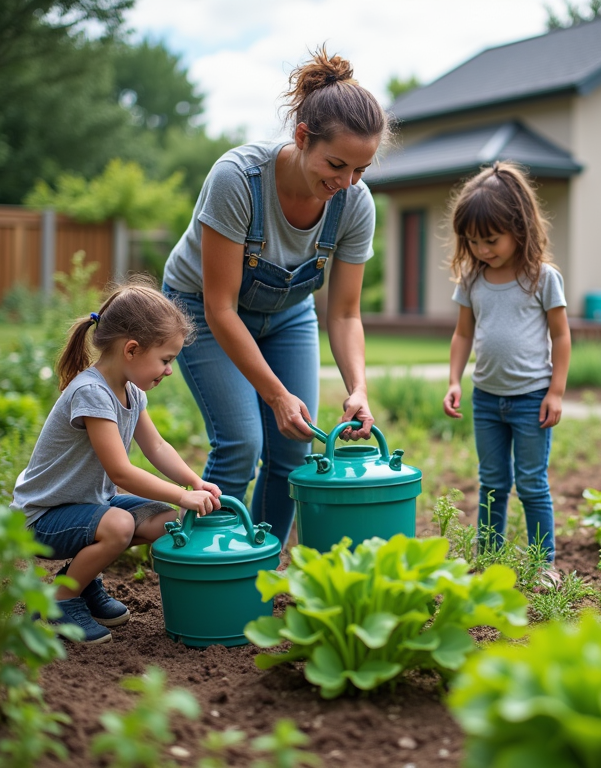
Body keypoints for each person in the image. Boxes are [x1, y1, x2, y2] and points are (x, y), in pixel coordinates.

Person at [161, 46, 389, 545]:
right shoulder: (238, 180)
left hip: (286, 314)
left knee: (293, 451)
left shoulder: (353, 204)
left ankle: (256, 564)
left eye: (360, 170)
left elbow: (346, 314)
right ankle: (207, 559)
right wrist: (276, 394)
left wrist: (359, 388)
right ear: (303, 137)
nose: (346, 182)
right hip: (200, 307)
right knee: (242, 441)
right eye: (336, 164)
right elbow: (220, 307)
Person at [12, 280, 222, 644]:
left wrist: (194, 483)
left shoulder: (133, 392)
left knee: (165, 520)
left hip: (87, 507)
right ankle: (59, 601)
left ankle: (82, 580)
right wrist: (181, 494)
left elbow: (156, 445)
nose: (169, 370)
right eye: (166, 359)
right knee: (120, 524)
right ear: (132, 349)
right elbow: (120, 471)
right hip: (42, 517)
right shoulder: (91, 392)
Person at [442, 161, 571, 567]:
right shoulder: (472, 280)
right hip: (486, 401)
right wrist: (454, 381)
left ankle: (542, 564)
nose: (482, 250)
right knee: (492, 485)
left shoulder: (541, 277)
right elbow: (463, 334)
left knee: (532, 484)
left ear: (520, 228)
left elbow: (561, 336)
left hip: (532, 399)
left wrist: (556, 391)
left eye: (491, 240)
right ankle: (489, 560)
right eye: (473, 242)